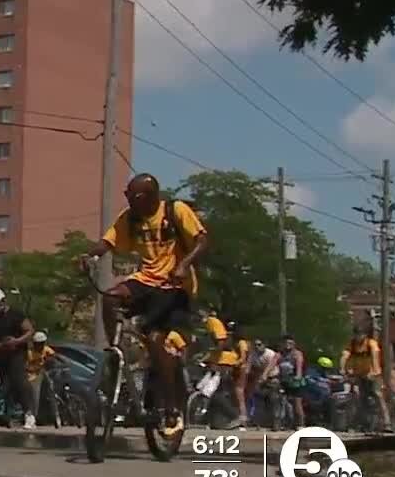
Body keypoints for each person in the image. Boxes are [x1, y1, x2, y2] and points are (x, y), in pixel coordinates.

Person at [78, 172, 208, 436]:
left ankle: (172, 409)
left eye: (132, 197)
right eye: (127, 197)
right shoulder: (130, 218)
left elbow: (202, 240)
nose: (129, 202)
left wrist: (184, 264)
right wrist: (89, 256)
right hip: (147, 280)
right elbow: (108, 242)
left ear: (149, 197)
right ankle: (114, 353)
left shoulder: (175, 210)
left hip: (176, 287)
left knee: (157, 340)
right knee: (110, 297)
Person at [0, 287, 36, 429]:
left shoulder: (15, 315)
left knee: (19, 381)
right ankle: (3, 416)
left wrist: (16, 341)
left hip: (16, 354)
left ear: (2, 302)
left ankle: (29, 414)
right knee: (2, 386)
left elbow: (30, 331)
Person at [341, 323, 392, 430]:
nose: (358, 337)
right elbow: (345, 356)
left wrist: (372, 372)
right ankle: (363, 423)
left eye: (360, 334)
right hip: (360, 374)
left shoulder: (371, 344)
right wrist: (343, 369)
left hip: (374, 374)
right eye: (356, 334)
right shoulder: (353, 344)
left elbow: (374, 357)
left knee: (378, 396)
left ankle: (387, 423)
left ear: (364, 335)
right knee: (361, 399)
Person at [202, 310, 245, 429]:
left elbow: (223, 345)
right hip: (220, 361)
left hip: (226, 363)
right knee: (213, 392)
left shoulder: (221, 332)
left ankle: (235, 416)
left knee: (216, 393)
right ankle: (215, 421)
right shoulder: (218, 327)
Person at [25, 331, 57, 426]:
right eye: (39, 344)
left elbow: (54, 357)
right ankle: (33, 416)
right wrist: (35, 368)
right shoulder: (30, 353)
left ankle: (53, 414)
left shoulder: (46, 350)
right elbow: (26, 367)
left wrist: (51, 360)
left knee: (50, 389)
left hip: (42, 373)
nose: (41, 345)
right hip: (32, 376)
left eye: (42, 343)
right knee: (35, 395)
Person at [279, 334, 306, 427]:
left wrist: (298, 375)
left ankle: (301, 425)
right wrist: (265, 375)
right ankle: (283, 423)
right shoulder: (280, 354)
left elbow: (299, 366)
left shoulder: (297, 354)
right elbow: (272, 364)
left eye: (290, 342)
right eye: (286, 342)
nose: (287, 344)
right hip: (284, 381)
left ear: (294, 343)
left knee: (297, 403)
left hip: (295, 382)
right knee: (281, 401)